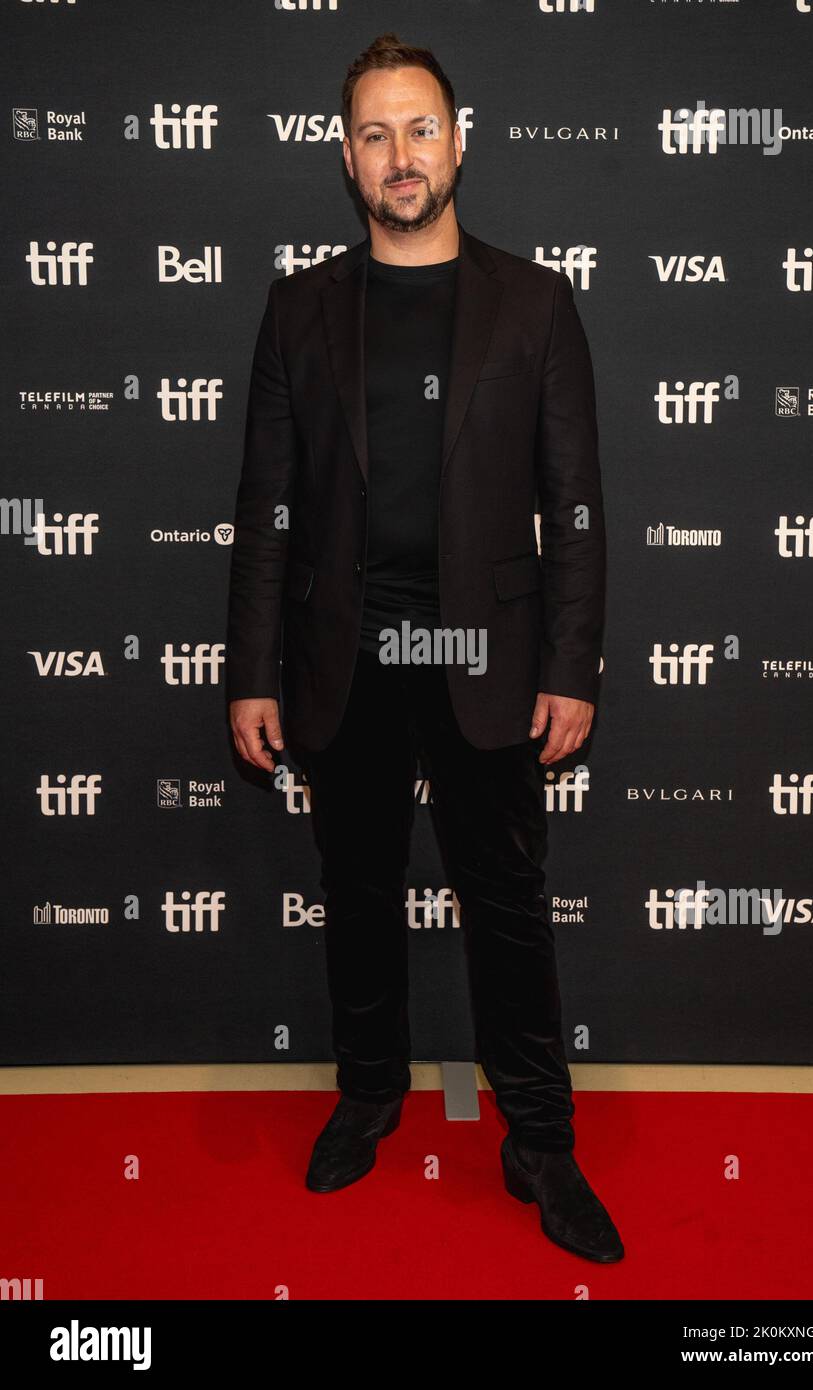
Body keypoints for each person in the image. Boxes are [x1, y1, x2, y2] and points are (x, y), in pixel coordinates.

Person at [226, 32, 623, 1263]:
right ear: (346, 159)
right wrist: (249, 670)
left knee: (506, 903)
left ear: (458, 139)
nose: (400, 156)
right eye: (374, 134)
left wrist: (569, 662)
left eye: (419, 129)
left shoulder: (533, 301)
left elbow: (576, 501)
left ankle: (541, 1140)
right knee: (355, 891)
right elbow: (264, 505)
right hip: (342, 653)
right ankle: (368, 1090)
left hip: (486, 654)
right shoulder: (299, 307)